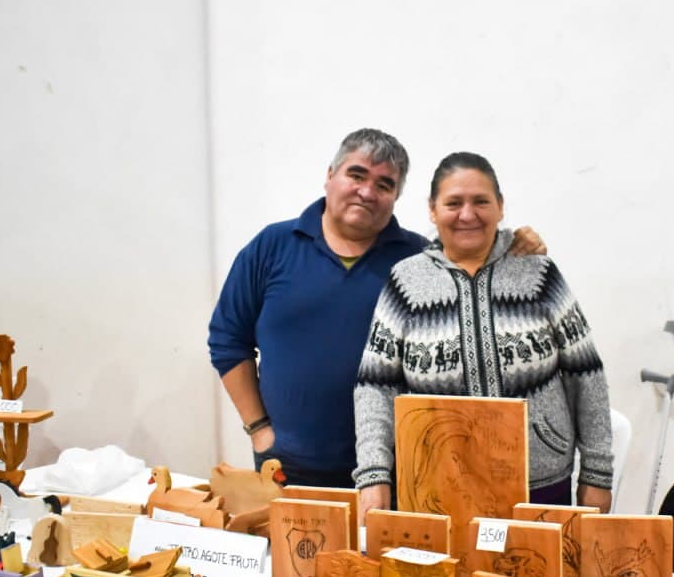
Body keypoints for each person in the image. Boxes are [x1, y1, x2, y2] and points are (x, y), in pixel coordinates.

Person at [208, 129, 542, 488]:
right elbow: (228, 341)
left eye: (384, 185)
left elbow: (476, 277)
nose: (367, 192)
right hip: (288, 467)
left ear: (396, 196)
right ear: (330, 175)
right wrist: (259, 430)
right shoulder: (271, 247)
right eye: (356, 175)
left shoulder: (421, 260)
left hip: (399, 473)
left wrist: (513, 248)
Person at [353, 151, 613, 516]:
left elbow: (586, 375)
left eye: (481, 201)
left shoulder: (538, 273)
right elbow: (375, 387)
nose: (467, 214)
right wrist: (374, 475)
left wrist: (597, 476)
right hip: (437, 487)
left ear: (501, 206)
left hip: (538, 487)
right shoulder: (406, 282)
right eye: (453, 203)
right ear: (432, 209)